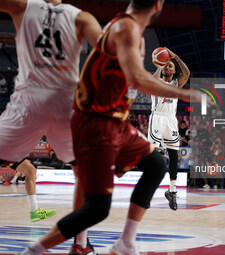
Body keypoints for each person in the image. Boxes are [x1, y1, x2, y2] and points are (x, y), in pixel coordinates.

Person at [19, 1, 205, 255]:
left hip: (114, 120)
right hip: (97, 123)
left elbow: (132, 78)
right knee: (98, 207)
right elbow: (139, 79)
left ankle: (123, 243)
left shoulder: (121, 26)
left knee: (156, 165)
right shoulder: (127, 29)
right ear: (158, 4)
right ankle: (34, 251)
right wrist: (185, 95)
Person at [0, 0, 102, 253]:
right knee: (84, 175)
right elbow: (107, 53)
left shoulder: (23, 6)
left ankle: (73, 239)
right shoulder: (81, 17)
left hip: (29, 103)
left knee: (31, 171)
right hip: (64, 104)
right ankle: (80, 243)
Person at [148, 48, 190, 211]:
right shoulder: (157, 81)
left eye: (170, 66)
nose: (168, 67)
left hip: (171, 120)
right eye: (166, 66)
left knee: (174, 156)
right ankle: (148, 191)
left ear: (174, 71)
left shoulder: (176, 83)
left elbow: (186, 74)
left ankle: (172, 191)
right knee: (151, 155)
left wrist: (176, 57)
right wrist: (160, 64)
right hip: (157, 118)